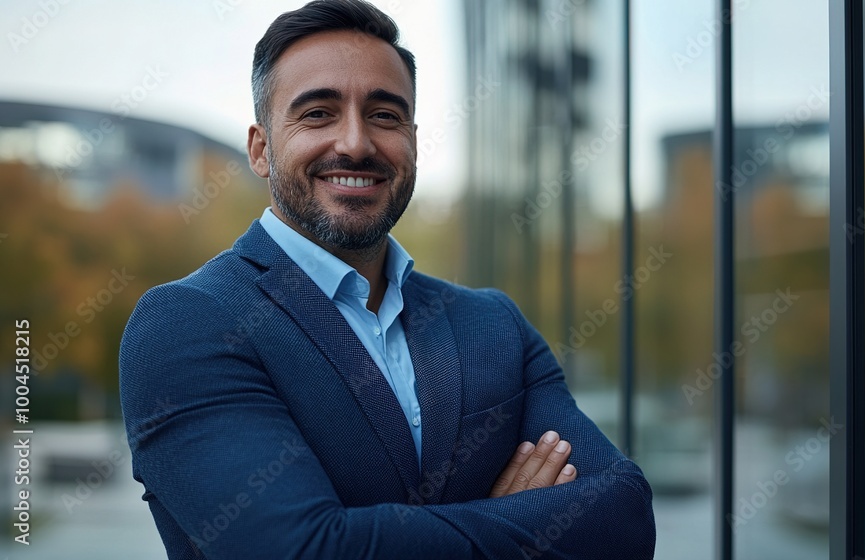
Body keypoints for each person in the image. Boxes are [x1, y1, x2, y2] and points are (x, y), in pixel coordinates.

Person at [119, 1, 656, 558]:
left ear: (414, 142)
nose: (355, 143)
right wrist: (517, 521)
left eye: (384, 115)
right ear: (261, 149)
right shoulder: (187, 325)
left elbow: (624, 518)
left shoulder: (494, 323)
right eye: (318, 113)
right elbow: (302, 551)